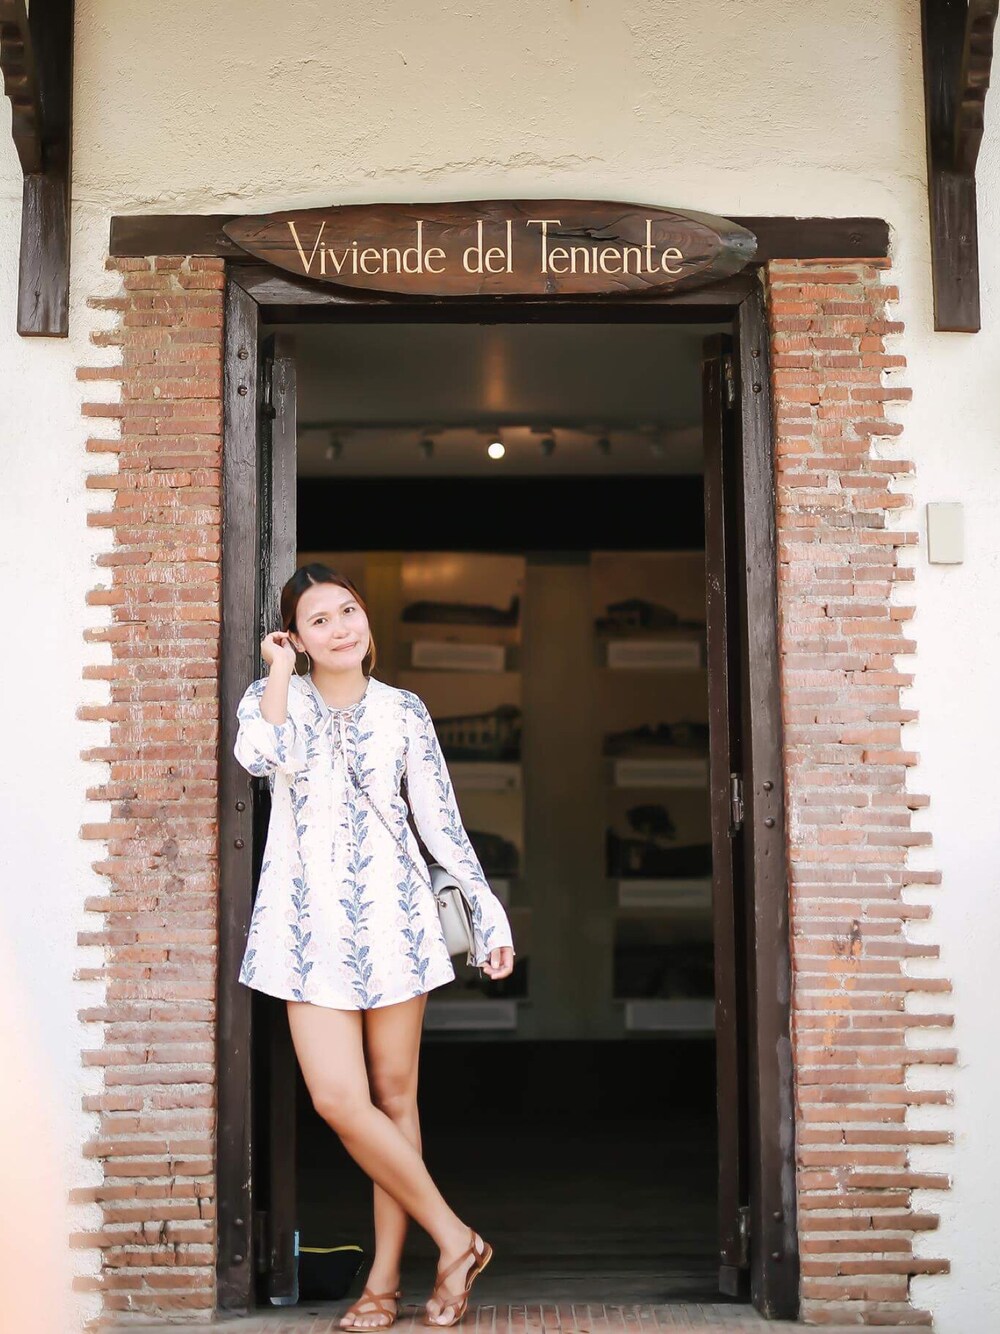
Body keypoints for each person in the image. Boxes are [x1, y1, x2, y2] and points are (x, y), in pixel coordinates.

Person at [233, 562, 516, 1330]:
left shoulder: (404, 711)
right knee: (338, 1100)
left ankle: (386, 1285)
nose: (340, 628)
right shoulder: (272, 699)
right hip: (305, 932)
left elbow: (441, 823)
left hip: (395, 923)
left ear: (366, 618)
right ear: (296, 637)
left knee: (395, 1102)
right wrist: (279, 672)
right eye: (319, 620)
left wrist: (487, 911)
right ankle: (456, 1239)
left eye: (348, 610)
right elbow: (263, 757)